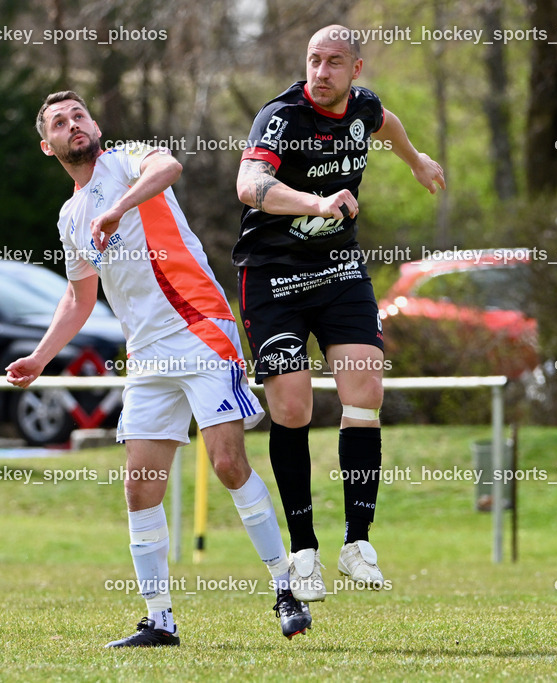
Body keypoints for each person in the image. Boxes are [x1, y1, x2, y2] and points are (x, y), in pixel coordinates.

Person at [7, 91, 311, 645]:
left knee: (226, 463)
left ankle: (285, 588)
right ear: (46, 145)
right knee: (140, 486)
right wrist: (40, 357)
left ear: (95, 124)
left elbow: (169, 166)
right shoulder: (69, 216)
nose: (72, 125)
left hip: (199, 329)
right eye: (59, 122)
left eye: (78, 115)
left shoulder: (126, 159)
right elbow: (79, 298)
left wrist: (119, 206)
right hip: (146, 354)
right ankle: (159, 620)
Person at [234, 26, 445, 606]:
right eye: (312, 61)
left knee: (365, 389)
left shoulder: (364, 106)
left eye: (333, 63)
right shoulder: (280, 116)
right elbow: (249, 185)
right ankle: (304, 551)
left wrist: (416, 160)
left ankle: (357, 542)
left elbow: (387, 123)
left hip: (338, 271)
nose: (320, 72)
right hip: (273, 275)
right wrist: (316, 203)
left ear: (356, 67)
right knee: (294, 406)